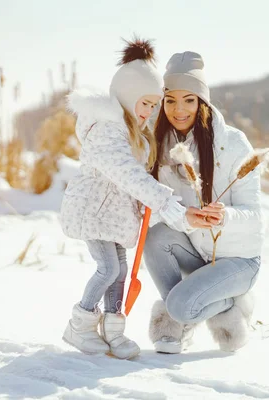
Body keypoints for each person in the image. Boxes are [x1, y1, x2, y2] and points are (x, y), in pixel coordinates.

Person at [59, 38, 186, 359]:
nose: (151, 110)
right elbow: (124, 171)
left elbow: (139, 173)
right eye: (146, 103)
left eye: (154, 104)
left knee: (121, 270)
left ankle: (114, 331)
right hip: (93, 211)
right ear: (129, 97)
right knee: (107, 269)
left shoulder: (134, 131)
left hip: (114, 216)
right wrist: (161, 199)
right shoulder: (106, 128)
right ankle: (80, 323)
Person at [144, 51, 264, 353]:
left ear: (202, 102)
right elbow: (162, 206)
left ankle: (220, 307)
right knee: (155, 237)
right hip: (198, 251)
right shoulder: (165, 146)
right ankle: (187, 304)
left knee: (182, 306)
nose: (179, 109)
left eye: (189, 99)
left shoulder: (233, 144)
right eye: (170, 100)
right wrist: (187, 218)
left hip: (238, 261)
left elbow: (254, 215)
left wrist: (225, 216)